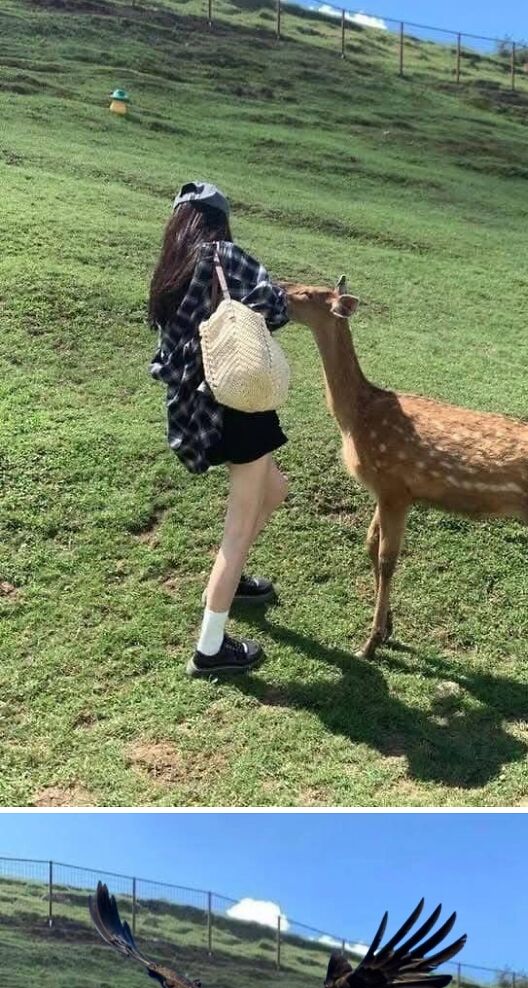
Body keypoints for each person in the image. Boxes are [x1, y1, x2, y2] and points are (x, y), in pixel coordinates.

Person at [148, 182, 289, 680]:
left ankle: (231, 579)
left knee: (275, 489)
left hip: (200, 407)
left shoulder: (170, 270)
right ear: (218, 220)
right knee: (239, 526)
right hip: (240, 403)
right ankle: (210, 648)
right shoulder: (226, 256)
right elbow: (277, 308)